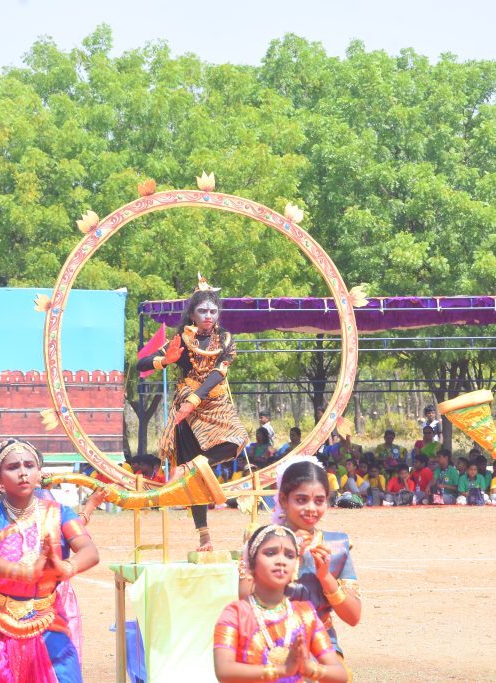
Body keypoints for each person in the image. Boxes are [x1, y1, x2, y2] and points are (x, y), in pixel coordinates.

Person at [0, 438, 100, 682]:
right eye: (13, 467)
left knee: (64, 675)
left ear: (39, 472)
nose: (23, 472)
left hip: (47, 618)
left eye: (29, 465)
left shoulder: (60, 514)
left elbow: (89, 551)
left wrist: (65, 568)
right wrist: (23, 572)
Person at [136, 275, 249, 551]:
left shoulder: (225, 339)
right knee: (196, 478)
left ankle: (190, 465)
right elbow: (141, 364)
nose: (208, 315)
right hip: (186, 405)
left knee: (238, 440)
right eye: (202, 311)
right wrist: (165, 360)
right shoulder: (183, 339)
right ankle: (204, 536)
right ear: (192, 314)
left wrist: (196, 399)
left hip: (214, 401)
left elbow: (218, 373)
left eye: (213, 311)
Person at [240, 458, 361, 658]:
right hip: (269, 646)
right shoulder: (260, 541)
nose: (311, 508)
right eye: (301, 500)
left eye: (319, 501)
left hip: (321, 648)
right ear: (283, 500)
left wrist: (326, 577)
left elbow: (353, 616)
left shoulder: (336, 545)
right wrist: (290, 556)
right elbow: (246, 602)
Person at [215, 524, 347, 682]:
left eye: (289, 555)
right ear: (252, 561)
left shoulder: (305, 614)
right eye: (270, 553)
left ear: (296, 565)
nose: (281, 561)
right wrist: (282, 670)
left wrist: (309, 668)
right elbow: (224, 670)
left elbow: (340, 674)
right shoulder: (236, 614)